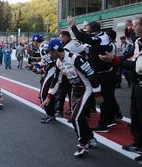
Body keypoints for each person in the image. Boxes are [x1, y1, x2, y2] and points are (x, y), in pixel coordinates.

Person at [41, 39, 103, 157]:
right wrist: (48, 97)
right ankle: (90, 138)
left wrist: (98, 94)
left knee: (75, 118)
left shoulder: (75, 58)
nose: (49, 54)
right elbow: (56, 80)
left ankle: (83, 144)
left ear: (55, 50)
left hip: (87, 89)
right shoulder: (59, 62)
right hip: (76, 90)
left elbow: (91, 74)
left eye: (50, 52)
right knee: (79, 118)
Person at [99, 16, 142, 162]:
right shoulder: (137, 42)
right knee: (135, 115)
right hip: (137, 84)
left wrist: (114, 60)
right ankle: (138, 143)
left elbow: (136, 65)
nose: (131, 29)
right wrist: (115, 59)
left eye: (134, 26)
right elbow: (127, 57)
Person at [67, 16, 116, 132]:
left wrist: (73, 26)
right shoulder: (101, 36)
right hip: (105, 72)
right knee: (108, 98)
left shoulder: (101, 39)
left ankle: (103, 124)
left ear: (93, 30)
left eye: (89, 29)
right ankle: (110, 120)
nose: (87, 31)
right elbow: (85, 37)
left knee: (103, 99)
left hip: (103, 73)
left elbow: (82, 37)